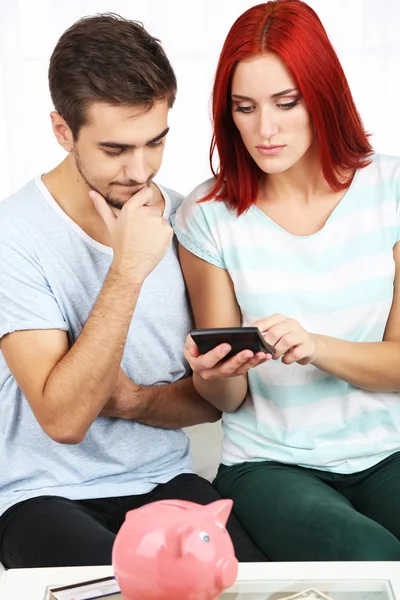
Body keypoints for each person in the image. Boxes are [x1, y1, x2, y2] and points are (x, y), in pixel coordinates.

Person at [0, 13, 267, 568]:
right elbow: (65, 419)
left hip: (164, 479)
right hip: (41, 494)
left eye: (156, 143)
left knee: (254, 583)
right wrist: (127, 270)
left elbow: (208, 404)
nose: (139, 170)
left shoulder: (187, 219)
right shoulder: (14, 234)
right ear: (62, 130)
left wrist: (136, 401)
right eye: (115, 149)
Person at [173, 0, 400, 561]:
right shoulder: (208, 213)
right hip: (269, 465)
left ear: (322, 95)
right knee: (368, 554)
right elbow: (227, 397)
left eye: (285, 103)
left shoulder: (390, 192)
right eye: (244, 108)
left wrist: (316, 347)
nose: (264, 130)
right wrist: (211, 374)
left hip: (388, 452)